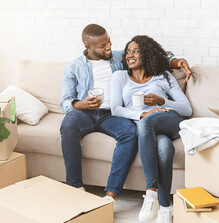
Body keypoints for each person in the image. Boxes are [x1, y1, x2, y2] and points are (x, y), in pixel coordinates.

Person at [60, 24, 191, 204]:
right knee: (68, 125)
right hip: (85, 112)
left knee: (130, 133)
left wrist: (176, 62)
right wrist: (81, 104)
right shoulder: (73, 67)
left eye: (109, 42)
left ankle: (111, 194)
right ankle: (75, 187)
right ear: (87, 47)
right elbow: (65, 100)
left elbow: (148, 55)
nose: (108, 48)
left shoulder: (117, 57)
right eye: (102, 46)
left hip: (112, 114)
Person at [110, 35, 192, 223]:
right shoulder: (119, 77)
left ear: (146, 53)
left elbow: (186, 109)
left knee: (147, 123)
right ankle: (165, 208)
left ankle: (151, 192)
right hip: (146, 125)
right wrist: (144, 113)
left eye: (136, 51)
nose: (130, 55)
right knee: (164, 148)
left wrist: (161, 102)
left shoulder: (163, 76)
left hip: (169, 119)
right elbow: (115, 109)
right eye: (128, 51)